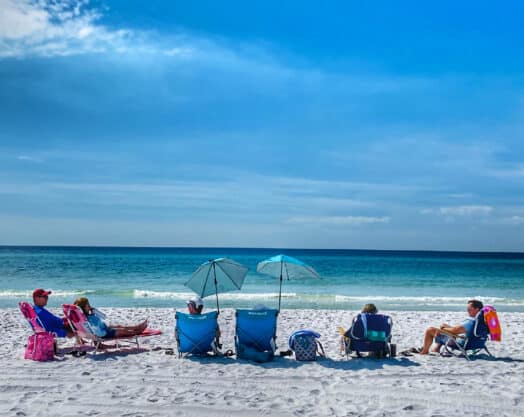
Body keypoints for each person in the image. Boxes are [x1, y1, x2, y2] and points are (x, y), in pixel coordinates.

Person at [418, 299, 484, 355]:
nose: (467, 311)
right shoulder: (483, 321)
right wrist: (444, 328)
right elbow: (459, 330)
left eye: (469, 309)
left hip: (461, 343)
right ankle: (436, 348)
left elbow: (455, 330)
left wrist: (443, 329)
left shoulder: (472, 322)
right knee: (443, 325)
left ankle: (425, 351)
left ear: (477, 309)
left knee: (430, 330)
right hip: (476, 343)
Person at [74, 297, 147, 338]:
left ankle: (137, 327)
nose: (90, 306)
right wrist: (93, 315)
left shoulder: (87, 316)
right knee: (123, 331)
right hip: (105, 333)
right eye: (88, 305)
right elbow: (96, 329)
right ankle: (138, 332)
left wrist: (94, 312)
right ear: (83, 308)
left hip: (105, 328)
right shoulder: (87, 319)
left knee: (120, 326)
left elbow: (103, 317)